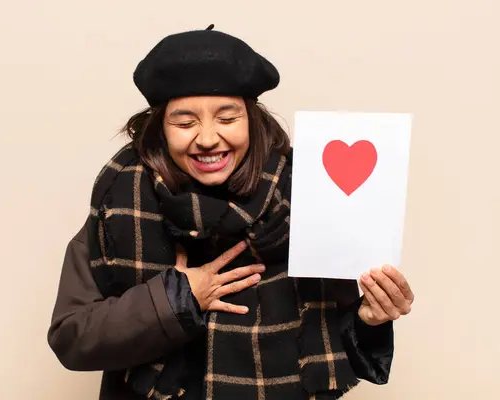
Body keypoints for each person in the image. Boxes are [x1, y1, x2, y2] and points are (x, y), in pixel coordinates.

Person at [47, 25, 415, 400]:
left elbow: (330, 343)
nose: (207, 138)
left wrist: (369, 320)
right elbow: (72, 335)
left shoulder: (307, 196)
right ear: (160, 128)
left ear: (251, 120)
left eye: (227, 118)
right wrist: (179, 298)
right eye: (185, 122)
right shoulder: (122, 202)